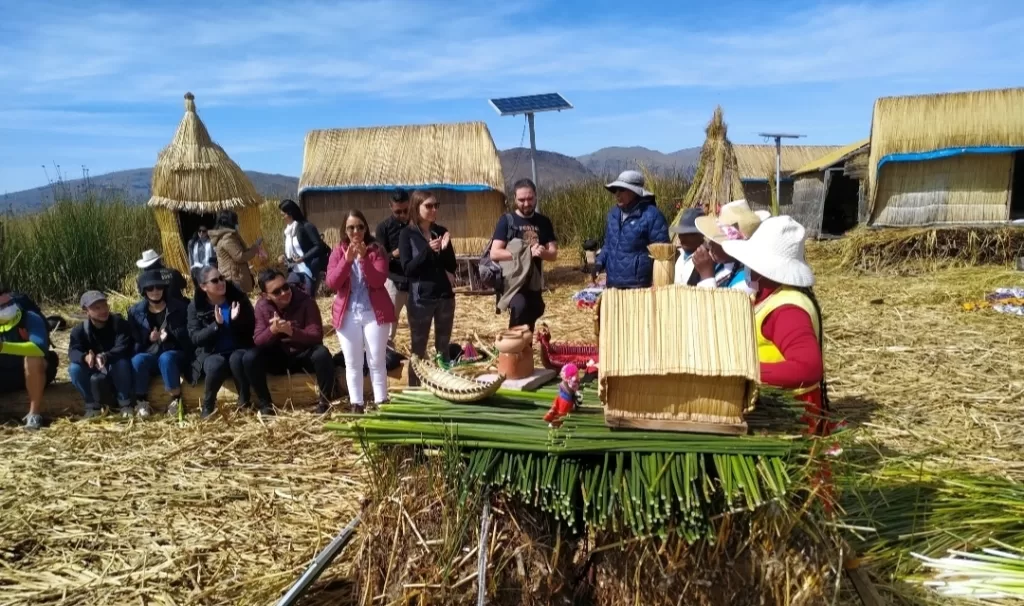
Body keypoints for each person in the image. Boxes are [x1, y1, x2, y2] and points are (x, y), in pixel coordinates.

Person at [720, 216, 830, 435]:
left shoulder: (787, 310)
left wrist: (744, 371)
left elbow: (808, 367)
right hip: (769, 404)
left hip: (789, 414)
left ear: (764, 268)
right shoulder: (768, 296)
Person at [327, 210, 396, 410]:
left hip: (374, 314)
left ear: (366, 228)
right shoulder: (338, 252)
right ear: (345, 230)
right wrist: (347, 261)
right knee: (353, 362)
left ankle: (381, 401)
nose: (356, 231)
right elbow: (332, 282)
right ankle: (356, 403)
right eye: (351, 227)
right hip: (348, 315)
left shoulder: (376, 251)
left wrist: (364, 258)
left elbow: (378, 281)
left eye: (360, 226)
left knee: (376, 359)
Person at [253, 269, 337, 413]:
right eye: (277, 292)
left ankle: (325, 401)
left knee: (322, 354)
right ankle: (265, 404)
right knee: (250, 358)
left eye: (285, 287)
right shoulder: (261, 306)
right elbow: (258, 340)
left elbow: (316, 335)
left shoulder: (306, 301)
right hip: (279, 357)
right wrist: (272, 330)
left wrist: (292, 332)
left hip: (303, 354)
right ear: (265, 296)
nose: (284, 293)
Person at [187, 266, 261, 418]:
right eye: (215, 281)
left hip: (239, 348)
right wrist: (216, 326)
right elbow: (195, 338)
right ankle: (208, 406)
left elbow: (253, 327)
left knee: (236, 358)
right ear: (203, 286)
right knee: (215, 364)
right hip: (212, 352)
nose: (221, 283)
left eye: (222, 278)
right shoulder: (195, 307)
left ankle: (244, 401)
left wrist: (236, 320)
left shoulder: (238, 298)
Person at [399, 191, 457, 386]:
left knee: (443, 347)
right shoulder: (407, 234)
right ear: (417, 208)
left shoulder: (441, 231)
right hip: (420, 299)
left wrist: (446, 248)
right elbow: (408, 269)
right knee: (418, 348)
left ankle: (445, 385)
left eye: (436, 206)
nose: (434, 210)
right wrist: (427, 251)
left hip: (444, 297)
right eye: (429, 206)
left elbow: (451, 266)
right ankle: (415, 389)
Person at [489, 178, 558, 331]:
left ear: (535, 197)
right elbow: (495, 253)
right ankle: (513, 350)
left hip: (534, 283)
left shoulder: (543, 222)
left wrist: (542, 252)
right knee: (519, 309)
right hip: (513, 283)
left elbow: (553, 254)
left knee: (534, 311)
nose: (526, 204)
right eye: (521, 200)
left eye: (530, 199)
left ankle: (525, 350)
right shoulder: (507, 221)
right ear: (514, 198)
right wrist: (527, 253)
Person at [127, 270, 191, 417]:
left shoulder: (180, 307)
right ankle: (141, 401)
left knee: (166, 358)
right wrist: (148, 338)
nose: (155, 291)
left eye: (158, 287)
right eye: (150, 288)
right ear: (143, 291)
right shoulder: (135, 312)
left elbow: (189, 335)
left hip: (175, 353)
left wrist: (171, 334)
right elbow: (133, 339)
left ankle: (176, 400)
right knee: (138, 360)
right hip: (151, 353)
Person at [594, 170, 670, 289]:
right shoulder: (613, 215)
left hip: (639, 287)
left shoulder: (652, 216)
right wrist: (599, 262)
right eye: (616, 190)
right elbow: (608, 245)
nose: (617, 194)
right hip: (612, 285)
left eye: (622, 190)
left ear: (635, 192)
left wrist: (657, 282)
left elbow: (662, 254)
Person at [68, 291, 136, 418]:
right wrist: (85, 357)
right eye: (97, 308)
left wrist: (105, 356)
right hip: (94, 367)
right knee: (74, 368)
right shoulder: (79, 330)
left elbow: (123, 347)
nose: (103, 310)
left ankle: (125, 403)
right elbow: (73, 352)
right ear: (85, 311)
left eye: (104, 306)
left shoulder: (119, 324)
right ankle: (92, 405)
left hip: (113, 365)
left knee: (121, 363)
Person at [0, 284, 59, 430]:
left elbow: (39, 348)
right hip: (3, 375)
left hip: (33, 372)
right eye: (2, 306)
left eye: (9, 303)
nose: (7, 308)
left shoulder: (30, 318)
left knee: (32, 357)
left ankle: (34, 414)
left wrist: (3, 347)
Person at [691, 199, 768, 291]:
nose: (710, 243)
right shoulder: (720, 265)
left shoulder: (746, 282)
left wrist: (706, 275)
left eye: (715, 239)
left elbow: (715, 305)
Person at [375, 189, 411, 348]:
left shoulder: (415, 224)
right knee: (390, 323)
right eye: (398, 212)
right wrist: (394, 254)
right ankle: (388, 355)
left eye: (405, 210)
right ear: (390, 207)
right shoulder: (383, 227)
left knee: (417, 322)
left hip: (414, 280)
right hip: (393, 280)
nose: (403, 214)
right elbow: (379, 258)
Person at [278, 199, 330, 297]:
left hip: (308, 268)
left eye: (283, 215)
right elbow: (293, 250)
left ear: (290, 213)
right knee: (290, 293)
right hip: (295, 268)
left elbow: (318, 246)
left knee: (308, 297)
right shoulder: (288, 231)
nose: (282, 218)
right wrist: (284, 257)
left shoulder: (307, 227)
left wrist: (303, 258)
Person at [208, 210, 263, 293]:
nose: (238, 224)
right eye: (236, 221)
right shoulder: (228, 239)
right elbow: (240, 256)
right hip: (235, 278)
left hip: (233, 275)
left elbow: (238, 252)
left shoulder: (227, 237)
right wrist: (254, 249)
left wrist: (253, 247)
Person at [671, 208, 705, 285]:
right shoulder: (676, 255)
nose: (682, 237)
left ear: (701, 234)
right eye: (681, 233)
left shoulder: (708, 260)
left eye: (688, 234)